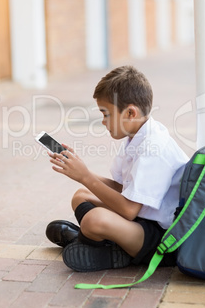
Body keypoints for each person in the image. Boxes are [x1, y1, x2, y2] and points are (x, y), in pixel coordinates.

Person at [46, 66, 189, 272]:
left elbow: (129, 211)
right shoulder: (136, 136)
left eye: (106, 114)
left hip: (162, 239)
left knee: (94, 220)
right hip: (142, 221)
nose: (103, 121)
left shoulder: (153, 147)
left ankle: (110, 248)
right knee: (81, 196)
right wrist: (79, 171)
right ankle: (103, 245)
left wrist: (85, 176)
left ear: (130, 113)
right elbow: (122, 188)